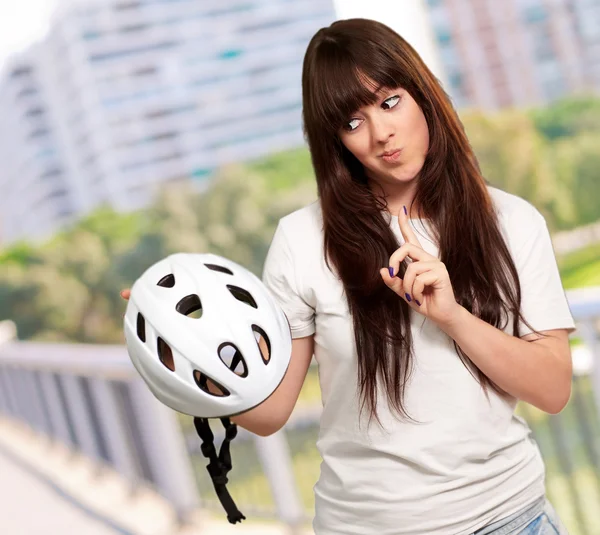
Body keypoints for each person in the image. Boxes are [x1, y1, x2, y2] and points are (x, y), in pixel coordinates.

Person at [123, 18, 575, 535]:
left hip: (508, 520)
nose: (381, 133)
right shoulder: (303, 240)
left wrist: (452, 316)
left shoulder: (511, 222)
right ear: (335, 140)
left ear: (423, 95)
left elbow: (553, 388)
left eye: (389, 102)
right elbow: (269, 415)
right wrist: (178, 342)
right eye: (352, 122)